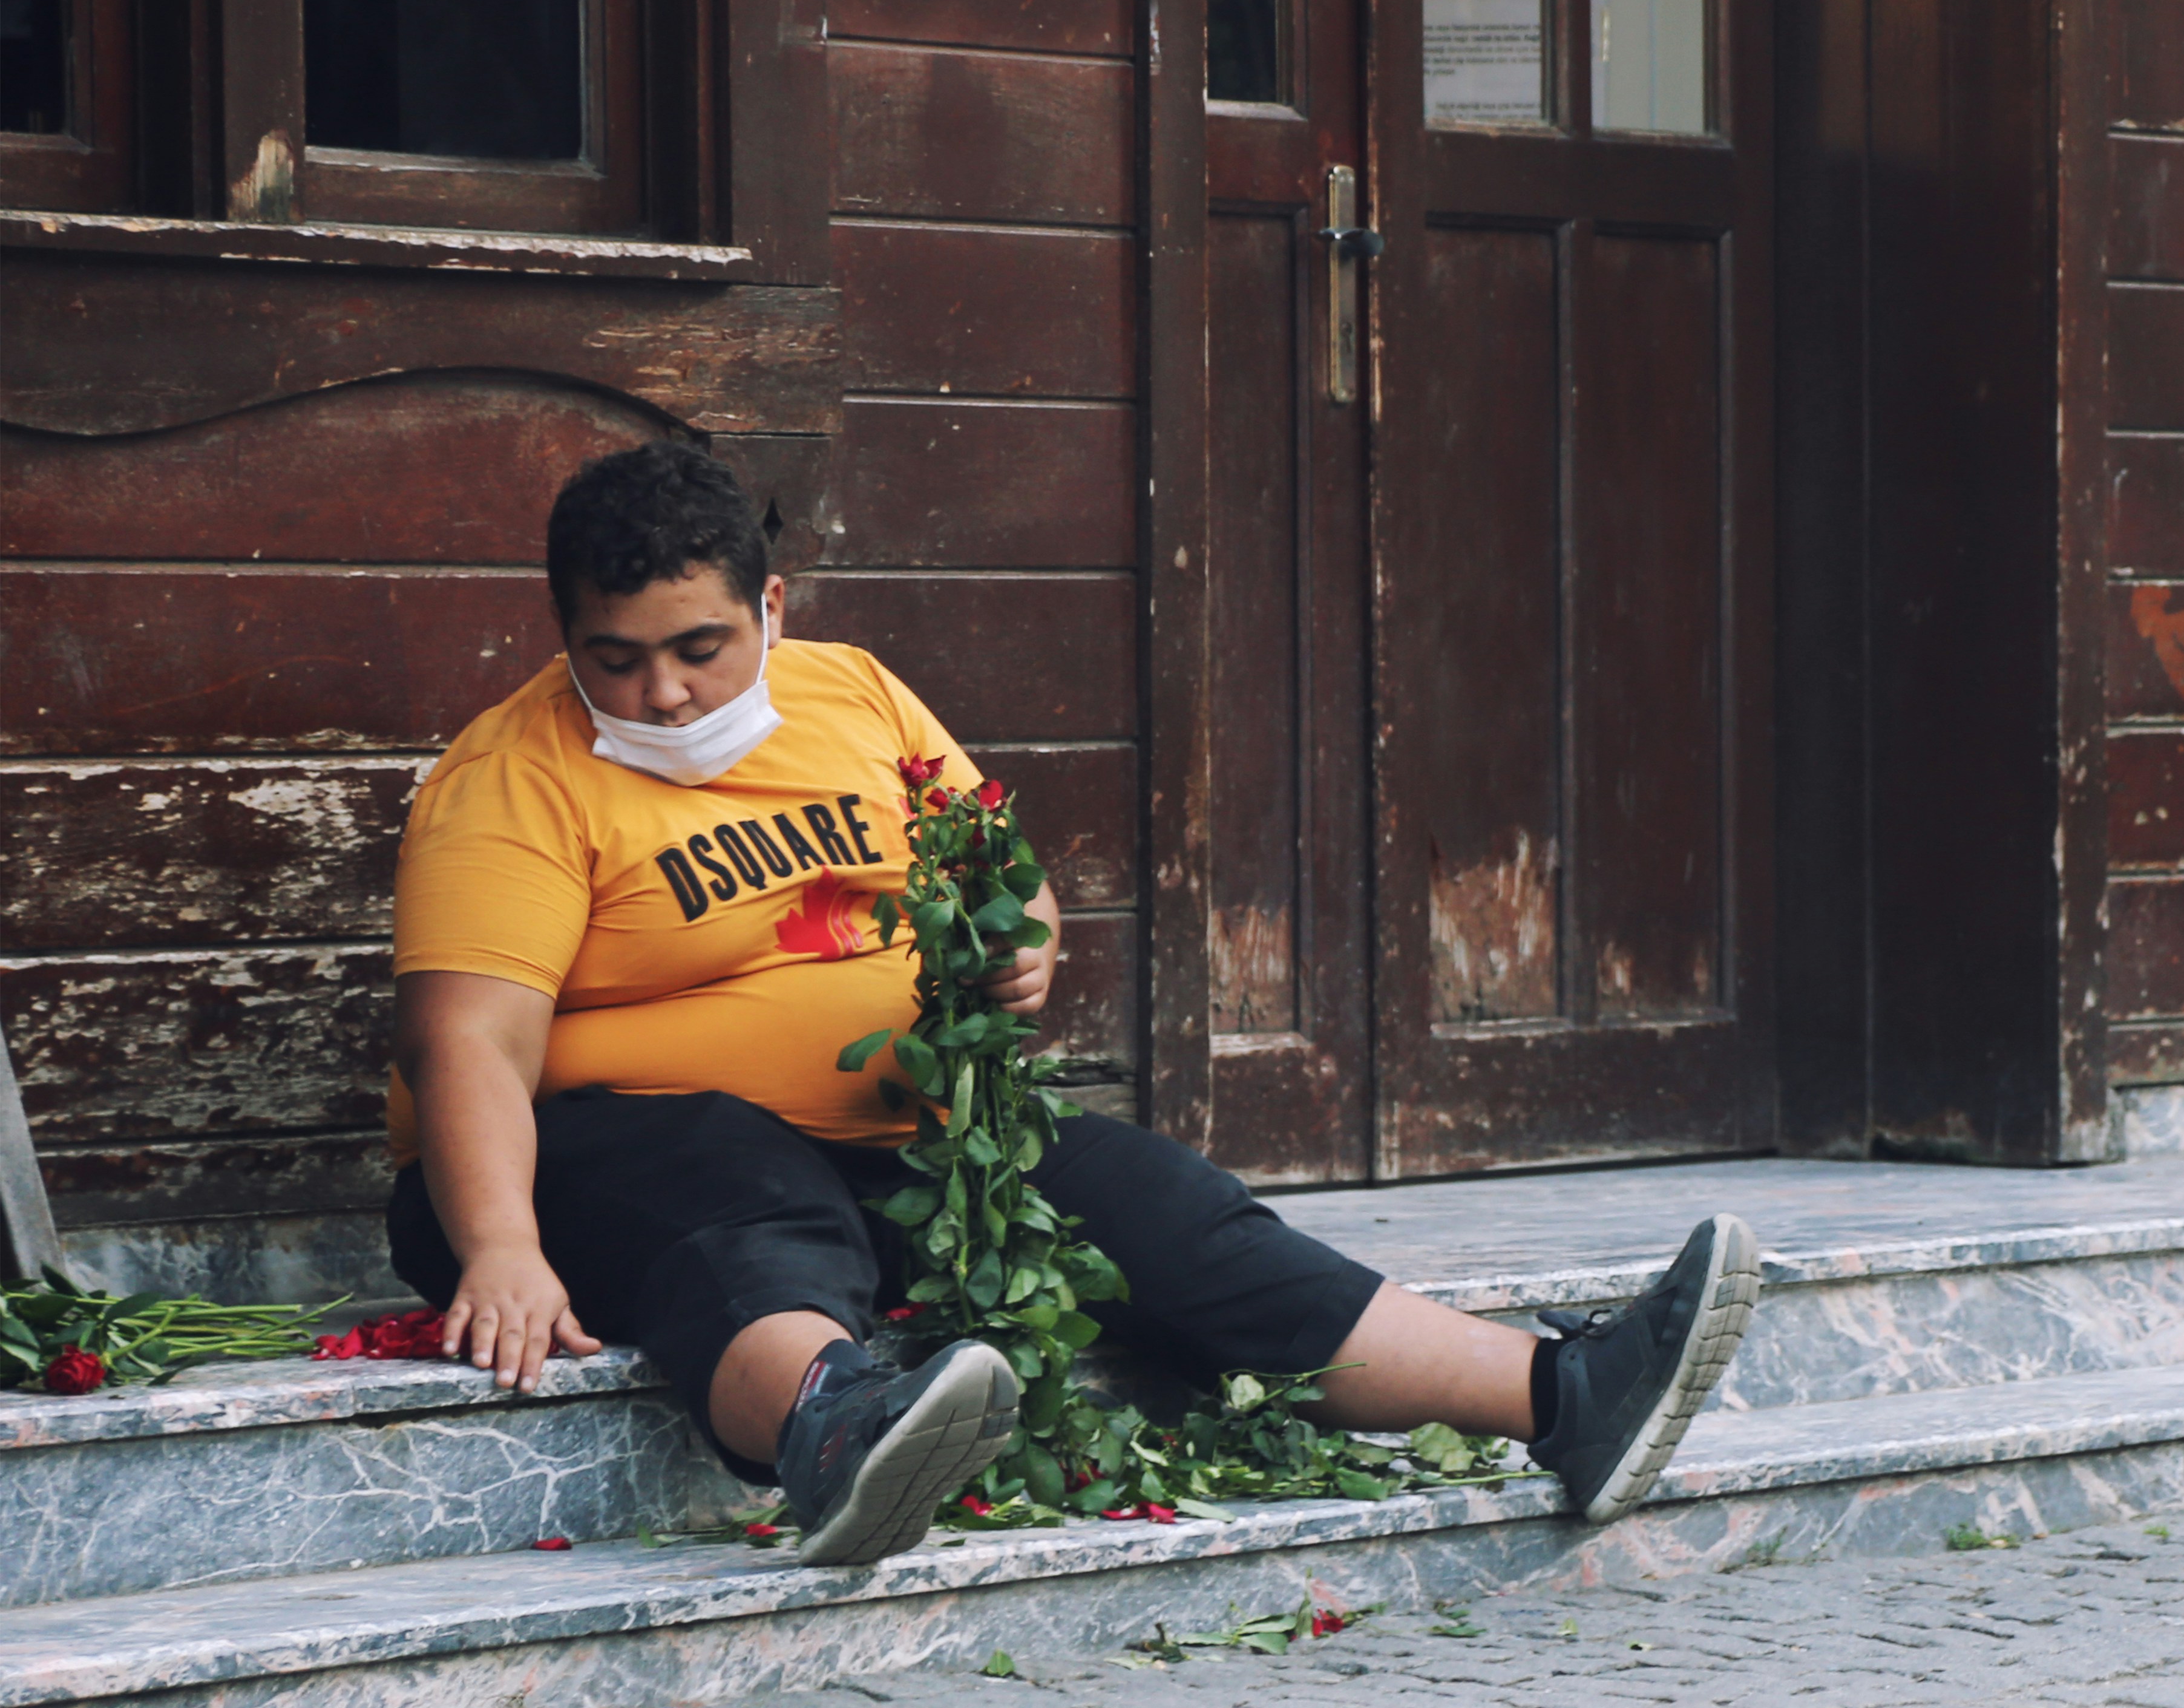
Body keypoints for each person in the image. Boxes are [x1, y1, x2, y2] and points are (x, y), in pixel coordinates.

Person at [387, 442, 1761, 1565]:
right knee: (741, 1187)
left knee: (1148, 1200)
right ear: (566, 638)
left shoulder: (851, 693)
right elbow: (471, 1043)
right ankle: (838, 1433)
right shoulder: (515, 780)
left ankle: (1562, 1396)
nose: (666, 693)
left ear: (774, 607)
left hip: (900, 1144)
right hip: (596, 1161)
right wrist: (499, 1246)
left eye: (699, 647)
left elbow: (1005, 879)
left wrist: (1023, 946)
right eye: (615, 659)